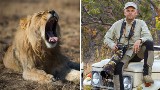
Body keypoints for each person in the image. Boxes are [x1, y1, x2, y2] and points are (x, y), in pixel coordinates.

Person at [103, 2, 154, 90]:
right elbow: (106, 38)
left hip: (137, 52)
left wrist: (140, 40)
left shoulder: (141, 23)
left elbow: (149, 37)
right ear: (124, 12)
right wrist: (112, 45)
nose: (130, 12)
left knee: (149, 43)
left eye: (132, 10)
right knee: (117, 68)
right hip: (124, 53)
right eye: (128, 10)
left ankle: (147, 74)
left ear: (136, 13)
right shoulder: (117, 24)